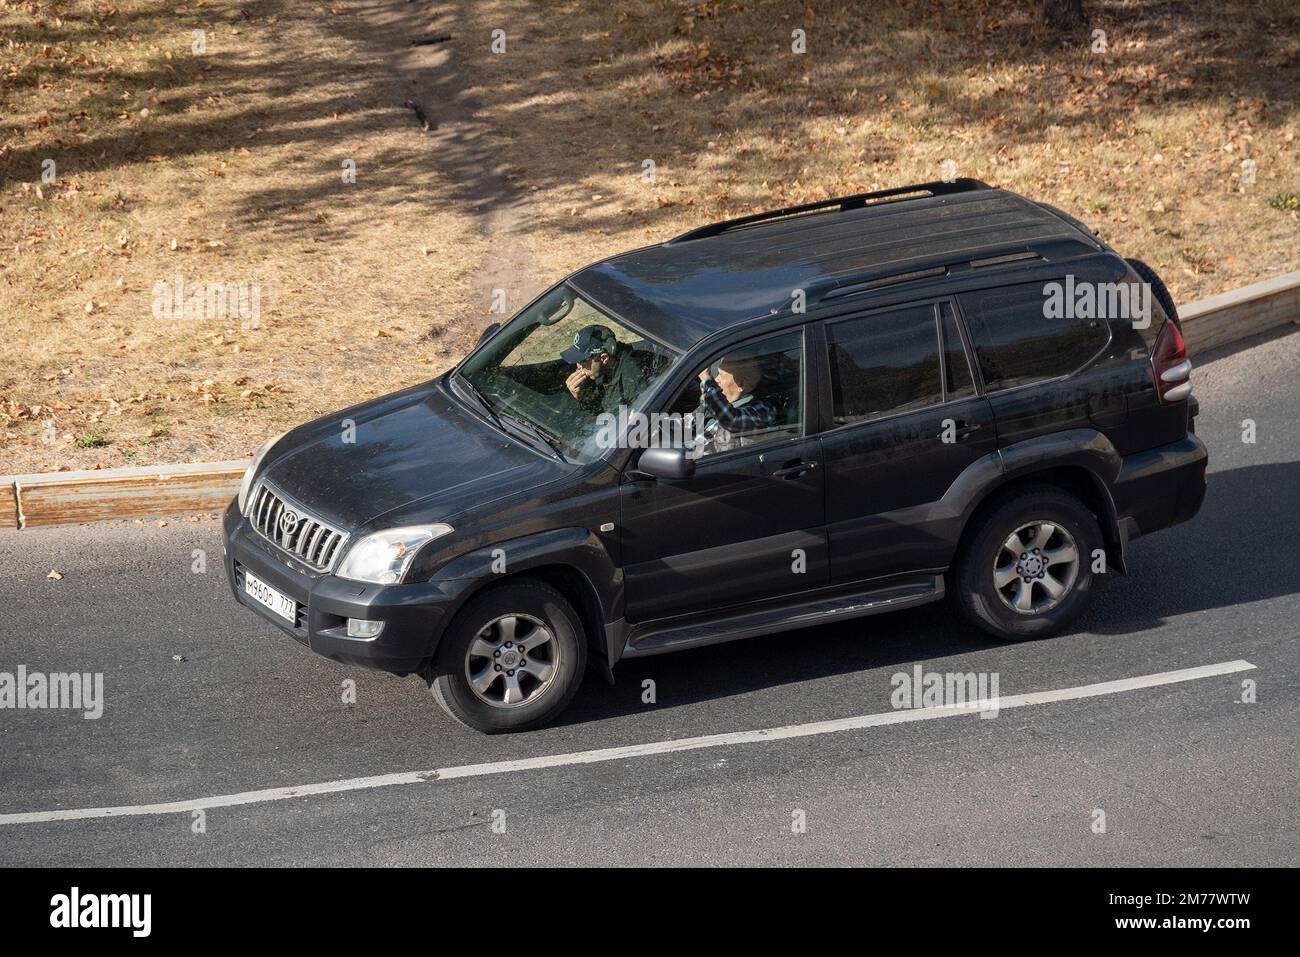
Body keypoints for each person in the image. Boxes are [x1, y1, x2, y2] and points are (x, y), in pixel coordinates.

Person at [694, 354, 781, 454]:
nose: (716, 379)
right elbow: (690, 421)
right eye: (717, 374)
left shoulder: (765, 408)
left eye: (721, 376)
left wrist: (706, 381)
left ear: (742, 385)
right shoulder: (718, 400)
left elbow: (732, 420)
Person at [561, 324, 649, 415]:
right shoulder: (601, 369)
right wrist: (582, 396)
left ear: (604, 358)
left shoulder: (632, 380)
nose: (578, 366)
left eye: (583, 361)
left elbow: (613, 420)